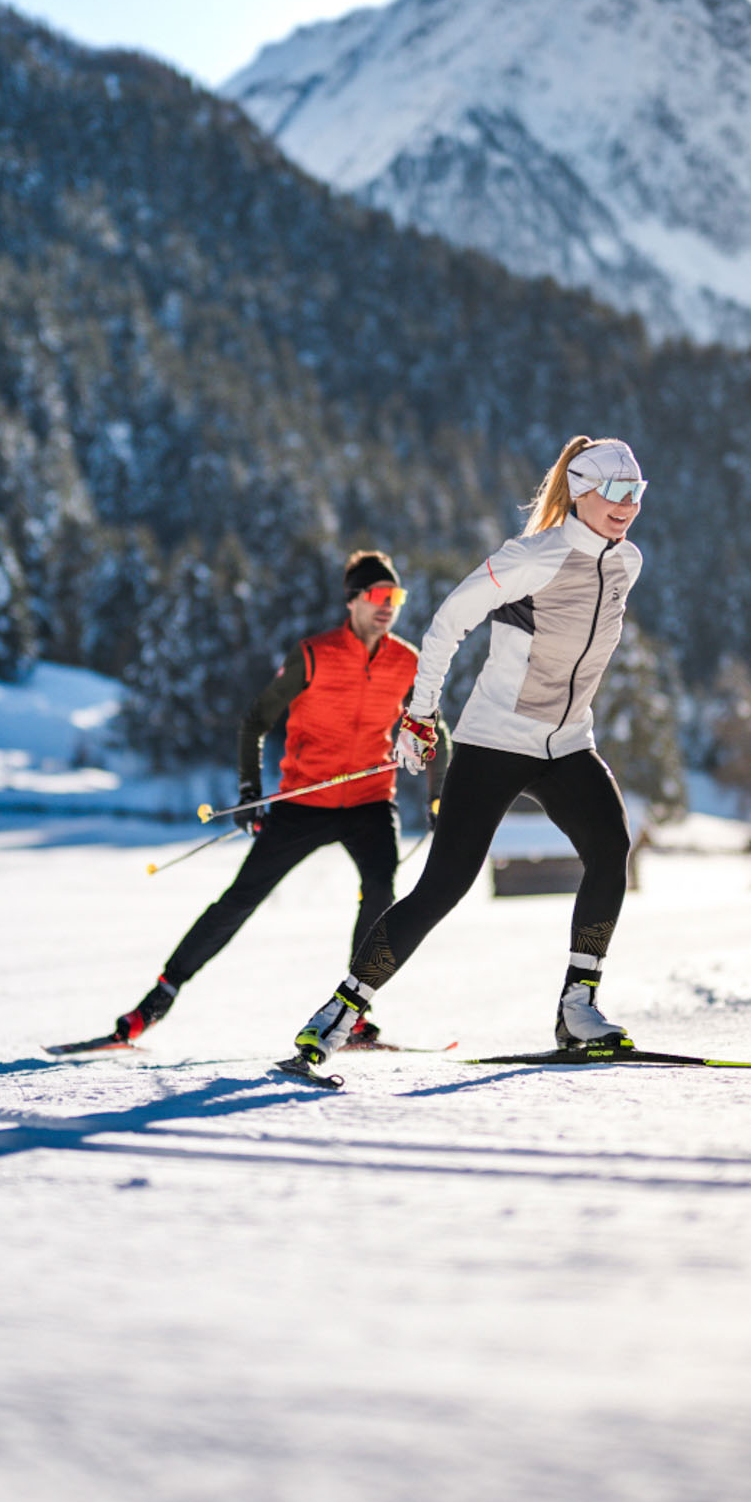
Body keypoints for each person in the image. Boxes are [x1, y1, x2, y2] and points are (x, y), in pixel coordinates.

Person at [284, 436, 647, 1075]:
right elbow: (447, 623)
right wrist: (421, 714)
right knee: (444, 886)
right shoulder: (531, 557)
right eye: (616, 492)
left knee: (610, 852)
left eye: (637, 494)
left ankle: (577, 1007)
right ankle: (340, 1012)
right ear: (582, 491)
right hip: (495, 740)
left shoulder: (626, 563)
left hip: (568, 742)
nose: (627, 506)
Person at [99, 550, 448, 1046]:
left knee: (381, 890)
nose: (387, 604)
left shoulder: (407, 661)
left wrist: (438, 797)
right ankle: (158, 997)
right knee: (242, 898)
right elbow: (255, 722)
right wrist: (249, 791)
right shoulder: (312, 655)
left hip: (371, 800)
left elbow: (435, 732)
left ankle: (352, 1011)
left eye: (395, 596)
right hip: (305, 801)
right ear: (352, 601)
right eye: (377, 595)